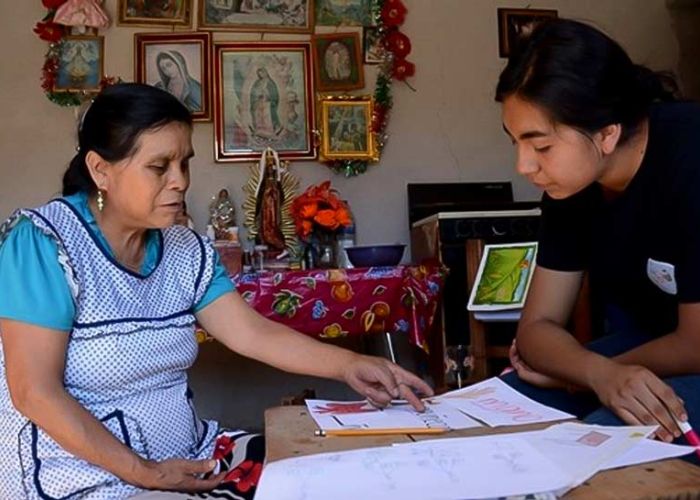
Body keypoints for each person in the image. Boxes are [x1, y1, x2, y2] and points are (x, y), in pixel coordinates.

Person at [0, 83, 432, 498]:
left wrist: (349, 364)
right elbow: (35, 391)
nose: (180, 181)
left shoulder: (182, 247)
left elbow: (251, 333)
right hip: (84, 475)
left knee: (329, 474)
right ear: (101, 171)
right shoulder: (44, 244)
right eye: (159, 167)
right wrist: (144, 473)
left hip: (187, 455)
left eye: (184, 163)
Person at [495, 18, 700, 454]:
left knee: (600, 441)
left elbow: (697, 342)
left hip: (691, 351)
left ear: (607, 133)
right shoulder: (573, 184)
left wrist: (592, 372)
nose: (524, 166)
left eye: (541, 146)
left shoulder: (690, 157)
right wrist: (592, 372)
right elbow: (536, 328)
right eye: (515, 142)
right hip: (649, 347)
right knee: (507, 405)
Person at [249, 67, 281, 138]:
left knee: (267, 116)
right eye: (259, 74)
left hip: (267, 103)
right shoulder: (257, 83)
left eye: (262, 73)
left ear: (266, 73)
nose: (261, 75)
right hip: (259, 102)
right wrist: (257, 96)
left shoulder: (270, 83)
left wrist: (267, 96)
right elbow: (253, 93)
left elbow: (274, 94)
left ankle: (269, 131)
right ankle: (259, 130)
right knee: (258, 115)